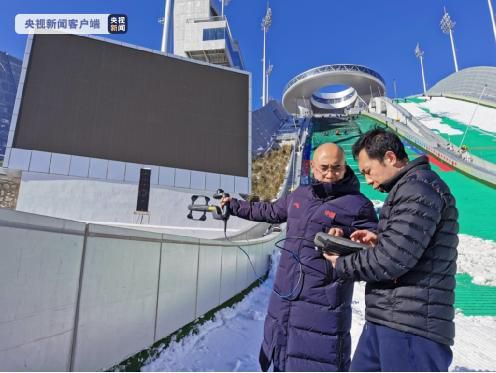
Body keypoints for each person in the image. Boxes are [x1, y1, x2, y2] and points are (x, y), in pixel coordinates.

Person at [221, 143, 378, 371]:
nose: (330, 174)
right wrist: (234, 206)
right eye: (324, 167)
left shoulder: (358, 205)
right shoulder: (299, 195)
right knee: (282, 356)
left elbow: (372, 243)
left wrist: (343, 236)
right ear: (312, 166)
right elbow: (270, 212)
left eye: (337, 168)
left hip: (323, 302)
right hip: (285, 297)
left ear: (346, 168)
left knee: (316, 360)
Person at [324, 128, 458, 371]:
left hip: (411, 328)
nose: (368, 181)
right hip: (388, 318)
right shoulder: (408, 189)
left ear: (389, 158)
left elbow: (392, 260)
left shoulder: (419, 189)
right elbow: (404, 249)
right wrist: (379, 240)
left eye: (368, 171)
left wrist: (341, 263)